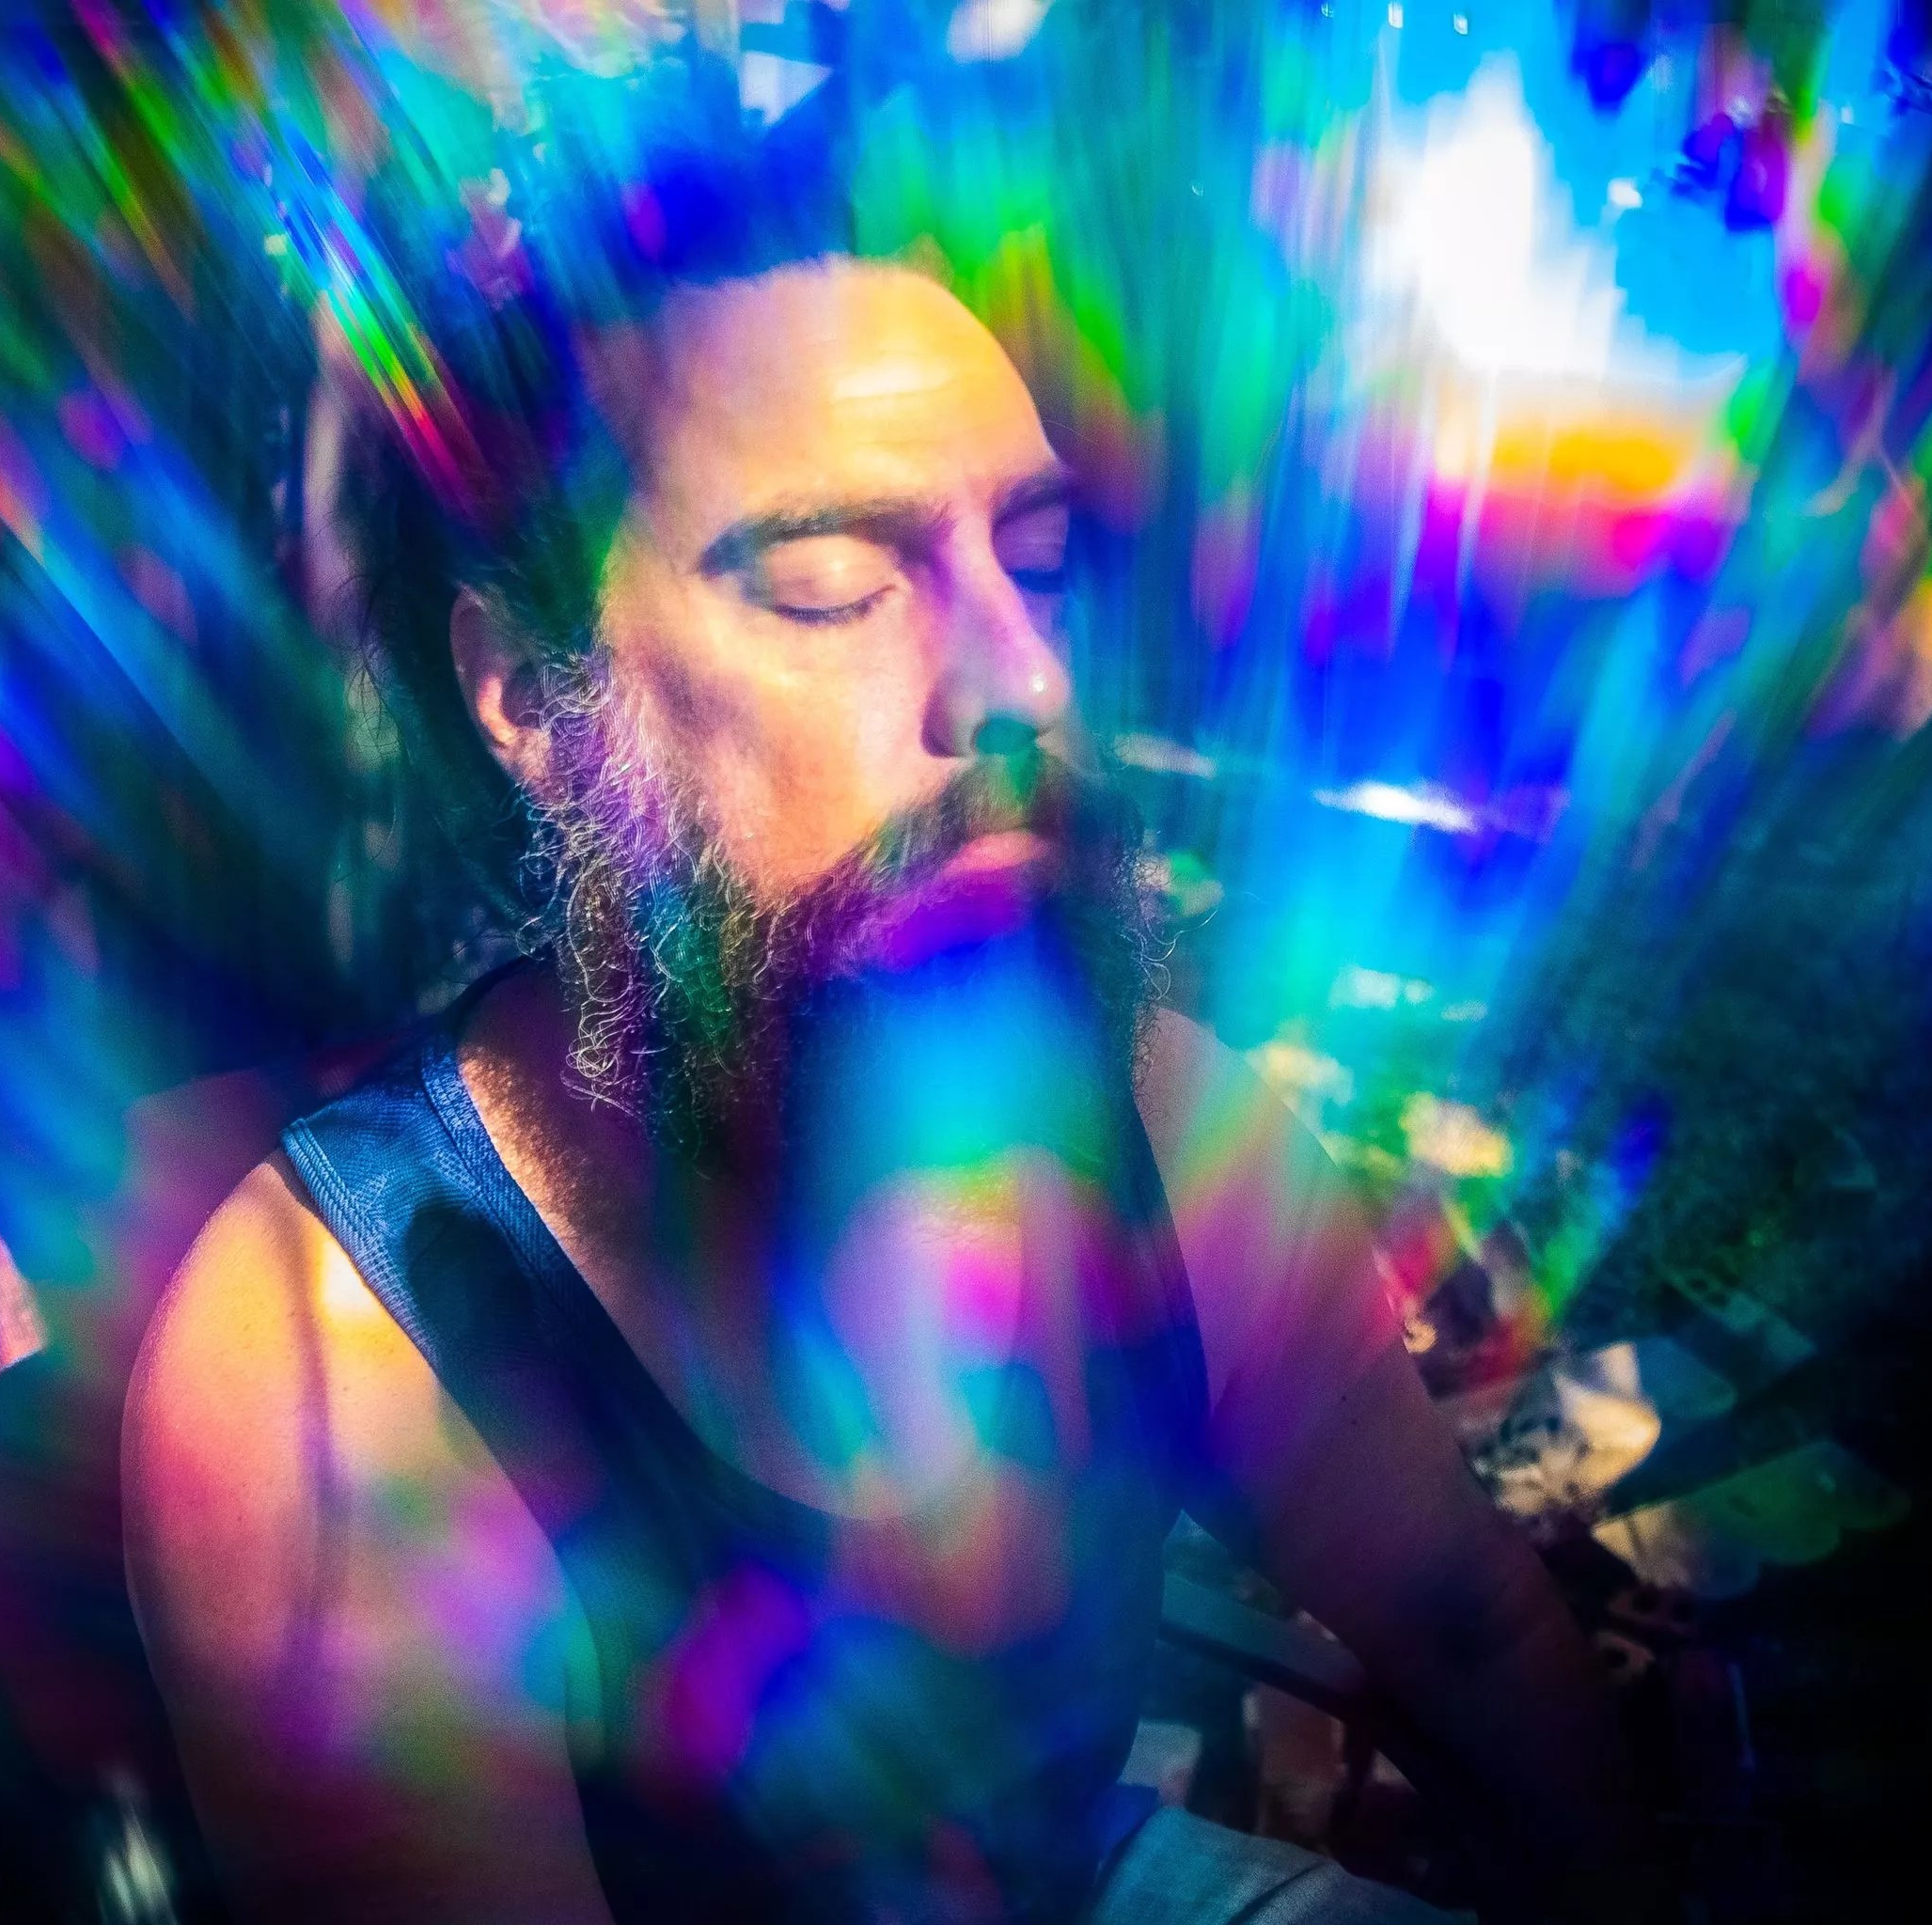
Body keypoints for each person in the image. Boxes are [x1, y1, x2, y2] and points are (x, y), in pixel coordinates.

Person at [124, 155, 1649, 1923]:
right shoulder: (348, 1405)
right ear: (533, 693)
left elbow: (1464, 1625)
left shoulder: (1160, 1132)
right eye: (834, 583)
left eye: (1040, 565)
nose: (1023, 686)